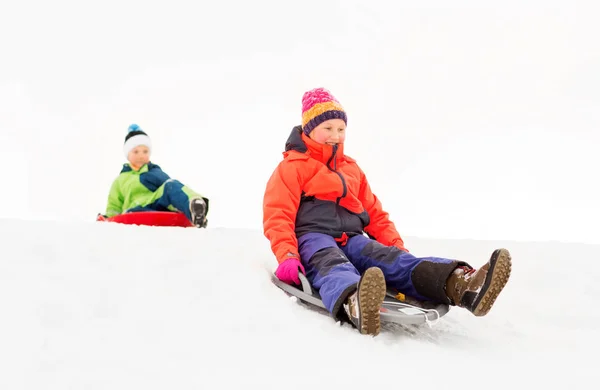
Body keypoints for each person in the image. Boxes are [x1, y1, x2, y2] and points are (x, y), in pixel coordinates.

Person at [263, 88, 512, 336]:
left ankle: (463, 286)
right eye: (327, 128)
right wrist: (287, 256)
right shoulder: (292, 167)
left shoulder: (351, 169)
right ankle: (356, 302)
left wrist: (395, 246)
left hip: (352, 237)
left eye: (340, 129)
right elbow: (278, 214)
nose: (335, 136)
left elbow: (375, 214)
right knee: (332, 265)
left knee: (392, 260)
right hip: (313, 238)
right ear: (308, 128)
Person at [104, 124, 209, 228]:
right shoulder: (120, 180)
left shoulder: (154, 171)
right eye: (136, 151)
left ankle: (195, 207)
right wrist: (108, 218)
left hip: (156, 204)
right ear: (128, 154)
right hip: (134, 211)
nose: (141, 155)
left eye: (145, 151)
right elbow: (114, 205)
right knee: (132, 210)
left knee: (171, 185)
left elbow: (172, 191)